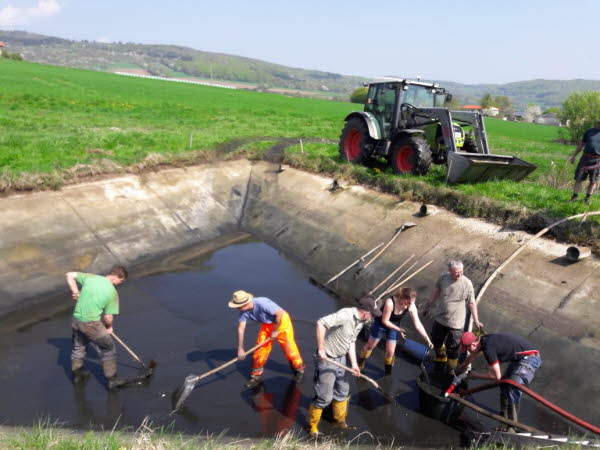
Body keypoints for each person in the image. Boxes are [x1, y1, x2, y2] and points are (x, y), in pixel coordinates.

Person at [306, 296, 381, 436]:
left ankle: (339, 421)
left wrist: (354, 364)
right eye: (372, 314)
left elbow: (351, 342)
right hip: (327, 358)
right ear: (365, 312)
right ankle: (312, 427)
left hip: (341, 359)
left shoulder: (360, 322)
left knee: (343, 391)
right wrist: (321, 349)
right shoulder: (345, 315)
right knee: (324, 396)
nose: (372, 318)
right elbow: (321, 323)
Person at [456, 331, 541, 430]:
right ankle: (503, 422)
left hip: (531, 359)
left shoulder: (489, 349)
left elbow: (496, 377)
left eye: (467, 349)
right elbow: (470, 358)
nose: (468, 352)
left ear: (474, 344)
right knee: (504, 385)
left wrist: (476, 375)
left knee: (513, 386)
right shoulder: (484, 340)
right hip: (519, 360)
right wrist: (458, 370)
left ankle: (512, 426)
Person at [66, 265, 128, 390]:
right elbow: (108, 317)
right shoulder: (112, 293)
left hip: (76, 321)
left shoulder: (90, 277)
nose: (119, 284)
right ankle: (112, 380)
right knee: (108, 348)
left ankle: (78, 375)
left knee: (79, 347)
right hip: (92, 325)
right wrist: (109, 327)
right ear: (116, 276)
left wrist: (75, 291)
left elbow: (69, 275)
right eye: (120, 281)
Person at [229, 290, 305, 388]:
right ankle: (255, 377)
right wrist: (240, 348)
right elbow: (241, 329)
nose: (237, 309)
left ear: (245, 303)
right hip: (268, 324)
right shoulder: (243, 312)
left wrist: (275, 331)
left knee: (289, 349)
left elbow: (279, 314)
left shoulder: (262, 303)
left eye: (238, 306)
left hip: (281, 322)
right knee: (259, 352)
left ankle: (299, 370)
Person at [423, 260, 483, 372]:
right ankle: (441, 359)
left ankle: (451, 368)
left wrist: (476, 320)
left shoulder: (467, 283)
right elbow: (436, 292)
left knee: (453, 347)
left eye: (461, 271)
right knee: (436, 340)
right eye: (456, 272)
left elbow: (472, 303)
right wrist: (428, 306)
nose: (459, 274)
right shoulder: (443, 278)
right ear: (449, 271)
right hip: (440, 318)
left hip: (456, 323)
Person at [358, 287, 433, 375]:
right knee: (370, 346)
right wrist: (398, 329)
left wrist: (427, 339)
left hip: (394, 326)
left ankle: (388, 372)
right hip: (380, 324)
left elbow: (418, 324)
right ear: (403, 299)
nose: (411, 304)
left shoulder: (411, 305)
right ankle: (360, 363)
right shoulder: (390, 303)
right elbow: (384, 321)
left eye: (413, 302)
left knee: (390, 351)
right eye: (409, 302)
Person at [569, 119, 600, 204]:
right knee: (578, 178)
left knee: (593, 181)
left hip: (597, 160)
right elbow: (582, 144)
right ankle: (574, 197)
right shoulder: (589, 131)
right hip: (585, 158)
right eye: (599, 122)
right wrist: (574, 156)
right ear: (597, 122)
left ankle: (587, 198)